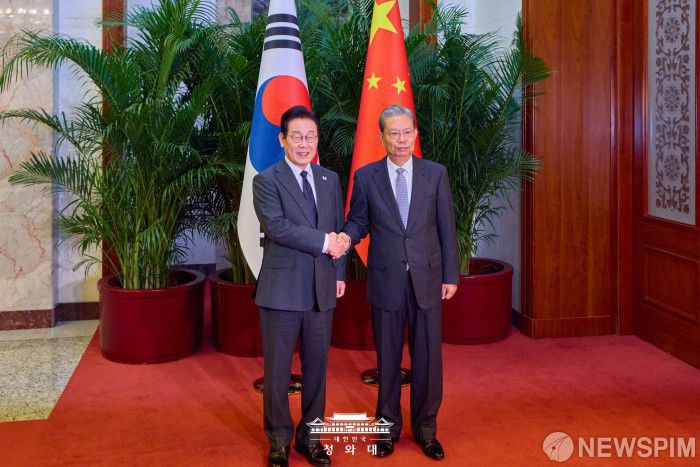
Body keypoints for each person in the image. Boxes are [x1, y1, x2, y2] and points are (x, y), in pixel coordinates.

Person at [340, 104, 459, 461]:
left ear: (415, 134)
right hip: (386, 279)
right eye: (394, 133)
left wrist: (450, 275)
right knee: (388, 360)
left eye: (407, 132)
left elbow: (446, 228)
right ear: (381, 137)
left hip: (428, 279)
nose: (402, 139)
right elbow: (358, 222)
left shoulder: (435, 174)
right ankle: (387, 429)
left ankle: (426, 430)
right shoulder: (366, 177)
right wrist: (344, 238)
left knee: (428, 360)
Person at [253, 105, 349, 467]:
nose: (304, 144)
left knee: (317, 371)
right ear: (282, 139)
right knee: (278, 373)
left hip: (321, 288)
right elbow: (277, 227)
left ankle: (312, 439)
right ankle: (279, 441)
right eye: (297, 136)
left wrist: (338, 273)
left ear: (317, 139)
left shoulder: (329, 179)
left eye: (310, 137)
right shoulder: (266, 180)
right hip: (281, 291)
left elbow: (338, 228)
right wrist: (325, 243)